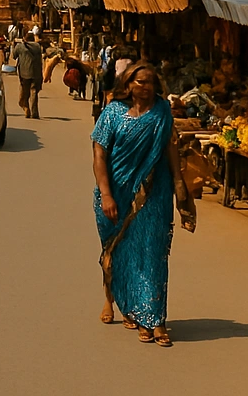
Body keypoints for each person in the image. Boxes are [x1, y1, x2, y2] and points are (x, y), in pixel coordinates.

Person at [91, 62, 195, 347]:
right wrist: (107, 195)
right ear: (128, 84)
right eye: (140, 82)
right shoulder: (111, 113)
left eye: (150, 82)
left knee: (152, 252)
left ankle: (154, 319)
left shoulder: (162, 112)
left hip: (154, 191)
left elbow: (169, 147)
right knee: (118, 250)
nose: (145, 87)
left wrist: (178, 182)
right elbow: (99, 155)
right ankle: (118, 302)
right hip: (116, 193)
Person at [13, 30, 43, 119]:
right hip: (36, 73)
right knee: (34, 91)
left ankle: (26, 108)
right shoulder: (37, 46)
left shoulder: (20, 46)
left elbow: (14, 56)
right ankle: (35, 112)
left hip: (24, 73)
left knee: (24, 92)